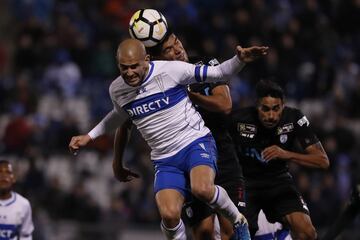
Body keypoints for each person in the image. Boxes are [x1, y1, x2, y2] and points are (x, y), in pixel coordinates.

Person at [69, 38, 268, 240]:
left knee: (202, 189)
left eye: (134, 66)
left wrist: (239, 59)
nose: (129, 73)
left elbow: (220, 73)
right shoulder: (117, 89)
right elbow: (119, 115)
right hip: (165, 159)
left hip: (194, 142)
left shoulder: (171, 70)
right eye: (124, 68)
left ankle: (238, 220)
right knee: (169, 215)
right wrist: (89, 136)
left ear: (146, 59)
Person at [113, 29, 245, 240]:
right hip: (185, 162)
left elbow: (225, 104)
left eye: (177, 43)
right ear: (156, 60)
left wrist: (190, 95)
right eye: (169, 49)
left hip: (221, 155)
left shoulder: (202, 65)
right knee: (203, 232)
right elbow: (124, 124)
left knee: (230, 233)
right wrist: (117, 163)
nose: (177, 50)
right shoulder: (152, 81)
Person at [228, 80, 330, 240]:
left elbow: (322, 160)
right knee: (235, 235)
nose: (271, 116)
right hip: (246, 184)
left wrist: (287, 154)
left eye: (276, 109)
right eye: (265, 109)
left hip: (279, 181)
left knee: (308, 233)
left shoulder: (294, 118)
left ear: (283, 105)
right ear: (257, 106)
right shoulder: (238, 120)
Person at [0, 160, 34, 240]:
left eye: (8, 172)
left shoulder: (23, 204)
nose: (3, 175)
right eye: (0, 172)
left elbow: (26, 235)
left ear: (14, 178)